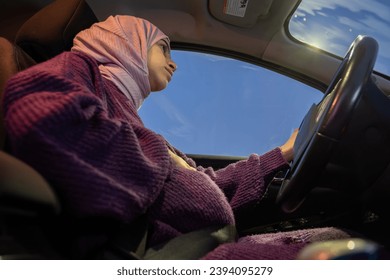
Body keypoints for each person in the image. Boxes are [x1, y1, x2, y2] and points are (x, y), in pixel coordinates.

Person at [2, 15, 352, 259]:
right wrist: (164, 159)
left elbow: (199, 183)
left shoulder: (123, 108)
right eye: (163, 48)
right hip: (160, 256)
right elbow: (41, 114)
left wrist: (283, 154)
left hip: (199, 245)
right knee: (352, 259)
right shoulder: (79, 68)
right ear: (128, 41)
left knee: (336, 241)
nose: (174, 62)